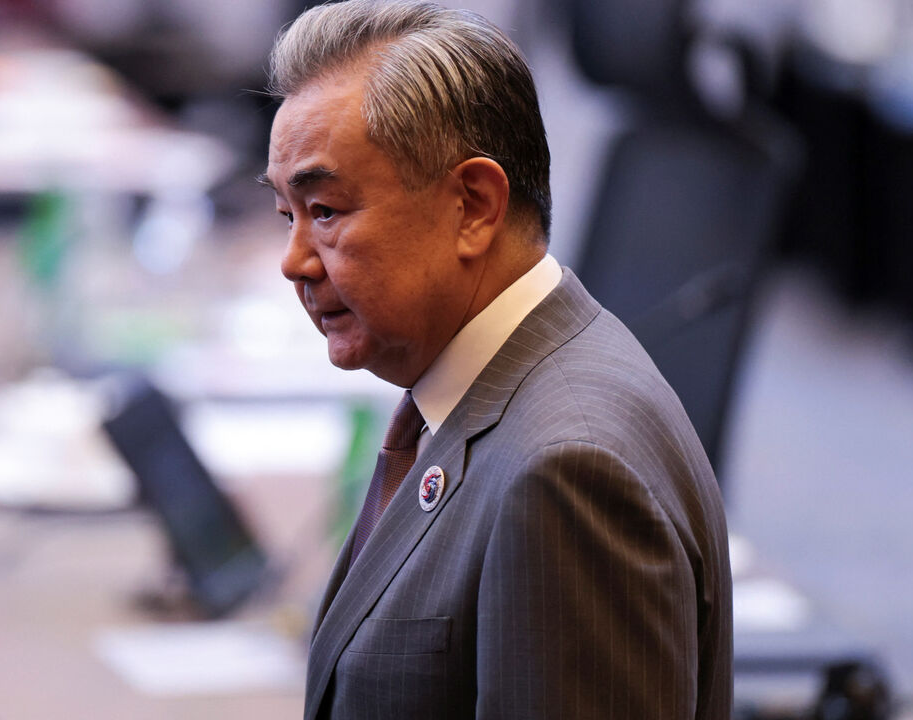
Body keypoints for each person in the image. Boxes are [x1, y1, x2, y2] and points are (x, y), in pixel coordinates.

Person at [258, 2, 732, 718]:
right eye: (285, 216)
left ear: (475, 206)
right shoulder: (461, 389)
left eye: (324, 211)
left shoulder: (567, 471)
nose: (293, 262)